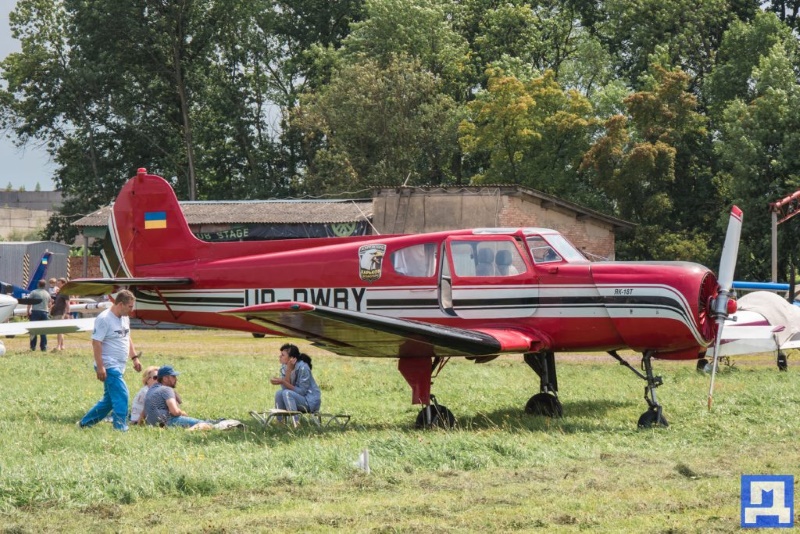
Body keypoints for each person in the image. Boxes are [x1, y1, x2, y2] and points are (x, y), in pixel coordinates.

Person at [77, 290, 141, 431]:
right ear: (120, 304)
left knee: (108, 401)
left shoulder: (124, 318)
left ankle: (85, 424)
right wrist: (101, 367)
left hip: (120, 364)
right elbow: (96, 342)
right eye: (130, 306)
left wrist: (134, 358)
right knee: (122, 395)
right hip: (109, 365)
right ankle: (120, 428)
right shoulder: (104, 319)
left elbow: (126, 337)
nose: (132, 309)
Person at [144, 365, 209, 428]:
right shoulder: (166, 389)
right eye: (173, 377)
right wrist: (182, 413)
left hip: (152, 424)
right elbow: (174, 412)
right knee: (204, 424)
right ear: (165, 379)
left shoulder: (151, 389)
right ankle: (189, 431)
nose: (176, 379)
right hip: (166, 422)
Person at [270, 343, 321, 421]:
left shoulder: (303, 368)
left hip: (309, 401)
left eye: (283, 355)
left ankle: (296, 423)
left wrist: (283, 382)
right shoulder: (285, 367)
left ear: (292, 358)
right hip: (297, 398)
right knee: (279, 393)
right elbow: (285, 388)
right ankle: (280, 422)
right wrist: (288, 370)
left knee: (287, 393)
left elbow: (302, 392)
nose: (280, 356)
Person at [26, 279, 52, 352]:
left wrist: (28, 311)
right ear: (44, 285)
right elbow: (50, 304)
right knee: (43, 331)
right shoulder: (47, 293)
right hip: (44, 313)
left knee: (33, 330)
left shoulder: (34, 292)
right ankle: (43, 347)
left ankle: (33, 347)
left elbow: (29, 302)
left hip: (35, 312)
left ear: (38, 284)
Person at [50, 277, 70, 351]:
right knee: (60, 330)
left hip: (60, 312)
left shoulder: (65, 292)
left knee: (59, 330)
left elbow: (67, 303)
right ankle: (62, 345)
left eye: (59, 283)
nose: (57, 284)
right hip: (56, 312)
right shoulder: (59, 292)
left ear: (63, 283)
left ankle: (58, 346)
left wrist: (68, 312)